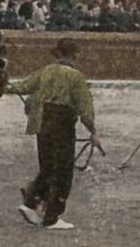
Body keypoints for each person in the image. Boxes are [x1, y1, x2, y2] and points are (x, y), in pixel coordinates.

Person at [9, 38, 100, 231]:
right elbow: (85, 110)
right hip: (62, 124)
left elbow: (22, 86)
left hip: (42, 123)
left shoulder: (46, 71)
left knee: (48, 167)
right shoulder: (76, 77)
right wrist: (94, 132)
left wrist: (2, 86)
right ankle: (52, 217)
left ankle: (31, 204)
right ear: (75, 55)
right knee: (63, 172)